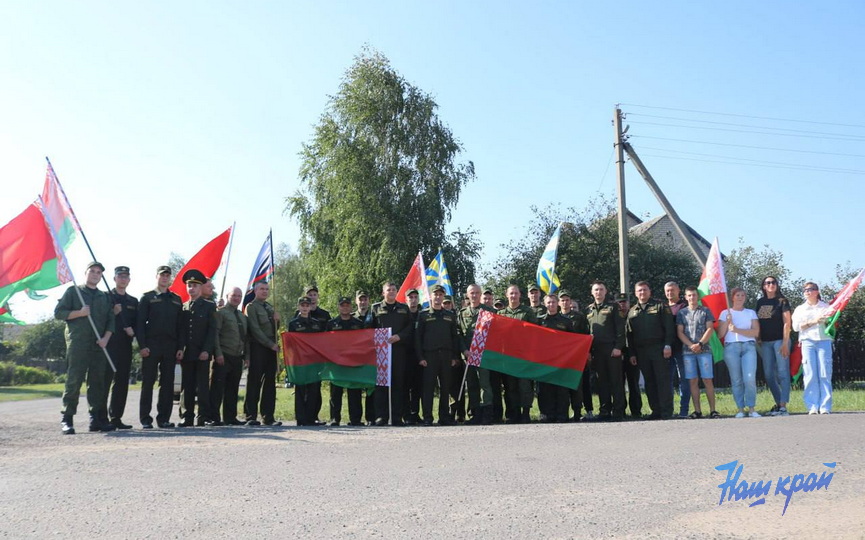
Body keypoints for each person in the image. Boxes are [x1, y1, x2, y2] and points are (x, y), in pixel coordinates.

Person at [55, 262, 116, 434]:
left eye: (99, 273)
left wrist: (105, 338)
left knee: (97, 383)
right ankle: (67, 418)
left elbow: (111, 320)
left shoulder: (104, 297)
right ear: (86, 273)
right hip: (78, 344)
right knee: (74, 381)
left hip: (99, 345)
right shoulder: (74, 292)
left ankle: (95, 419)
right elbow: (59, 313)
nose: (95, 274)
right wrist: (79, 313)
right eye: (92, 271)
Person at [137, 265, 185, 429]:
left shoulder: (176, 299)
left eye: (167, 275)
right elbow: (140, 324)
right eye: (162, 275)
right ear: (156, 277)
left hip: (170, 347)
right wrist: (142, 346)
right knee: (148, 382)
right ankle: (145, 419)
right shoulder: (147, 297)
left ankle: (163, 418)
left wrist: (180, 347)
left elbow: (180, 326)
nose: (165, 278)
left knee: (167, 384)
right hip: (151, 346)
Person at [626, 281, 675, 419]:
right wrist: (632, 354)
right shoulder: (632, 311)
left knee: (662, 380)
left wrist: (667, 345)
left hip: (659, 348)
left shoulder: (660, 306)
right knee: (649, 381)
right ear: (635, 293)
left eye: (645, 290)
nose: (642, 293)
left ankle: (666, 411)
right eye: (639, 291)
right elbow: (629, 335)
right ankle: (656, 410)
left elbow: (669, 327)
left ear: (650, 291)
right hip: (642, 351)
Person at [369, 281, 414, 426]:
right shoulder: (375, 308)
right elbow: (369, 329)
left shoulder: (403, 308)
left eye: (394, 290)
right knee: (381, 385)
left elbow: (410, 328)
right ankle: (381, 416)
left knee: (398, 383)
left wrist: (399, 336)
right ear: (383, 293)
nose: (392, 292)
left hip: (399, 350)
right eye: (389, 290)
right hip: (381, 352)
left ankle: (396, 416)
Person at [415, 285, 461, 425]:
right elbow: (418, 338)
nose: (438, 297)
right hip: (429, 356)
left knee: (445, 388)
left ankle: (444, 417)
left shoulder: (450, 316)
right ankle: (428, 417)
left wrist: (455, 357)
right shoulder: (423, 315)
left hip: (446, 356)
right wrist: (420, 357)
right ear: (431, 296)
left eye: (441, 295)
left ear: (443, 297)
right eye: (435, 294)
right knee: (428, 388)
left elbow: (455, 338)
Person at [178, 269, 217, 427]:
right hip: (188, 352)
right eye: (189, 286)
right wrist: (180, 348)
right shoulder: (183, 306)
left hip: (202, 352)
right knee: (186, 386)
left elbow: (211, 330)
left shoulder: (209, 306)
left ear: (200, 288)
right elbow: (181, 331)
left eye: (195, 286)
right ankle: (186, 417)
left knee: (202, 387)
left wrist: (207, 350)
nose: (192, 288)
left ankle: (203, 417)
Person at [583, 281, 626, 421]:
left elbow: (621, 329)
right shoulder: (588, 310)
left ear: (605, 291)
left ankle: (618, 411)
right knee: (602, 382)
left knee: (616, 381)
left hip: (612, 349)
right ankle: (604, 411)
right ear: (592, 292)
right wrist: (588, 351)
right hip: (597, 351)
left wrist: (618, 347)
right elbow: (586, 332)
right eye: (596, 290)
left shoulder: (613, 307)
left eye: (601, 289)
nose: (598, 292)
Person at [244, 281, 283, 426]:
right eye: (262, 289)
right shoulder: (251, 307)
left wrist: (277, 321)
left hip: (271, 348)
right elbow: (254, 329)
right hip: (258, 347)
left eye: (267, 289)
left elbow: (274, 329)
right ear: (255, 290)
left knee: (270, 383)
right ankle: (251, 416)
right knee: (254, 382)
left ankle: (268, 417)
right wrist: (269, 344)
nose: (265, 291)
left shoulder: (270, 307)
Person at [103, 265, 138, 429]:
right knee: (105, 381)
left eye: (126, 277)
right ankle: (100, 417)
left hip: (125, 345)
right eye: (120, 276)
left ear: (129, 280)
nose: (123, 279)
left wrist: (134, 331)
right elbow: (100, 319)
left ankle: (116, 417)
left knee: (122, 382)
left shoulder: (133, 301)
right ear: (114, 279)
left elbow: (138, 323)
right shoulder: (105, 297)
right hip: (108, 345)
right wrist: (113, 312)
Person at [676, 286, 719, 419]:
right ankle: (697, 411)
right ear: (686, 297)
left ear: (697, 296)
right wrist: (691, 345)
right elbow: (679, 332)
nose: (692, 297)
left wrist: (700, 344)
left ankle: (713, 410)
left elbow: (710, 329)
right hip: (688, 352)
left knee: (707, 380)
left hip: (704, 350)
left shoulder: (705, 311)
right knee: (693, 381)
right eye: (689, 295)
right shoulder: (681, 313)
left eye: (694, 295)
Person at [791, 282, 834, 415]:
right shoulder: (800, 309)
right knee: (810, 374)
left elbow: (832, 323)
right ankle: (812, 405)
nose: (808, 292)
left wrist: (827, 320)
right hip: (807, 341)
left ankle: (825, 406)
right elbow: (796, 327)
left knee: (825, 373)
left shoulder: (825, 307)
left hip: (824, 341)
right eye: (805, 290)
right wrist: (814, 321)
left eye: (811, 289)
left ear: (817, 291)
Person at [718, 288, 761, 418]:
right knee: (736, 380)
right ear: (732, 297)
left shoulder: (751, 313)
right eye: (738, 295)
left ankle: (752, 408)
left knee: (749, 379)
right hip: (731, 348)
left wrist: (737, 330)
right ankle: (740, 409)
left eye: (743, 295)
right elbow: (720, 334)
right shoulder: (725, 313)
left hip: (749, 347)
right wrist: (727, 322)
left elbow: (755, 332)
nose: (740, 297)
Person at [498, 284, 538, 423]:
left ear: (519, 295)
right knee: (510, 386)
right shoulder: (501, 314)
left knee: (525, 385)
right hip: (508, 356)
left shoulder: (527, 312)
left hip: (524, 355)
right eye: (511, 293)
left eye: (516, 293)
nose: (513, 296)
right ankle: (512, 413)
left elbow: (535, 332)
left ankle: (525, 412)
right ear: (506, 295)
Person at [537, 294, 581, 423]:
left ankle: (562, 414)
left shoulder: (566, 321)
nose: (551, 305)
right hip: (545, 360)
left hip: (561, 360)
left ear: (558, 304)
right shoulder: (539, 321)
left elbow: (573, 340)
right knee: (545, 388)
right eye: (548, 302)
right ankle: (547, 414)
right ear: (545, 304)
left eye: (553, 302)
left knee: (561, 389)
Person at [459, 284, 496, 425]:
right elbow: (459, 334)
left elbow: (495, 334)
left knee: (484, 384)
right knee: (472, 385)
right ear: (468, 295)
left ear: (480, 294)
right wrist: (464, 351)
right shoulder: (462, 313)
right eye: (471, 293)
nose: (474, 295)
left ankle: (487, 413)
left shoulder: (489, 311)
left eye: (477, 293)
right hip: (468, 354)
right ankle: (475, 414)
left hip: (484, 354)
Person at [326, 296, 366, 426]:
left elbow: (363, 341)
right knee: (335, 392)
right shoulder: (331, 324)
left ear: (351, 307)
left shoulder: (358, 324)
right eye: (342, 305)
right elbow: (324, 342)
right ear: (338, 307)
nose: (345, 307)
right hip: (336, 362)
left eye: (347, 305)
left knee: (354, 391)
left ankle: (355, 419)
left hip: (353, 361)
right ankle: (334, 418)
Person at [756, 276, 792, 416]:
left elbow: (787, 323)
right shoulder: (760, 302)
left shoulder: (782, 301)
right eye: (767, 283)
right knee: (769, 374)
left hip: (780, 341)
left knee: (783, 373)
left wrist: (785, 342)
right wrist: (758, 338)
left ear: (777, 285)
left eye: (773, 282)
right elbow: (758, 322)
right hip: (765, 342)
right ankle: (778, 403)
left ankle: (783, 405)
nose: (770, 285)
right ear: (763, 286)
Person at [211, 287, 248, 426]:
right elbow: (215, 334)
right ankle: (214, 417)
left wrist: (247, 356)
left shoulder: (242, 316)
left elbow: (246, 338)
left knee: (233, 389)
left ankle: (230, 417)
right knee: (217, 388)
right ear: (227, 296)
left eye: (239, 296)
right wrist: (218, 353)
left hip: (237, 356)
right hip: (223, 355)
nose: (237, 298)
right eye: (234, 295)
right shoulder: (221, 313)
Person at [288, 296, 325, 426]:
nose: (304, 308)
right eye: (302, 305)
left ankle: (310, 418)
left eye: (307, 305)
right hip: (300, 362)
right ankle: (301, 419)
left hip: (314, 362)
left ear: (310, 307)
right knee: (300, 390)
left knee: (313, 390)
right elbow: (290, 344)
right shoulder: (293, 324)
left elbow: (321, 342)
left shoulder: (316, 323)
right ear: (298, 307)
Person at [664, 282, 690, 417]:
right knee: (667, 381)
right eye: (667, 291)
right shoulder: (662, 307)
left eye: (672, 290)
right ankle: (669, 411)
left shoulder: (685, 306)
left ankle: (683, 410)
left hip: (683, 349)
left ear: (678, 290)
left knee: (684, 381)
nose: (670, 293)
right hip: (667, 350)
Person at [617, 294, 642, 419]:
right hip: (617, 354)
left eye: (625, 302)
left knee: (633, 383)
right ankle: (621, 410)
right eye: (620, 302)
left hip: (632, 353)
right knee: (618, 384)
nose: (622, 305)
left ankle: (636, 411)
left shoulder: (634, 315)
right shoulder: (614, 317)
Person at [403, 289, 423, 424]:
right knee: (405, 386)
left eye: (416, 297)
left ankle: (415, 414)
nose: (413, 300)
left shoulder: (423, 315)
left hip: (420, 355)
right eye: (410, 297)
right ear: (406, 299)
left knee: (418, 387)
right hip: (404, 354)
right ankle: (406, 414)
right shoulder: (402, 315)